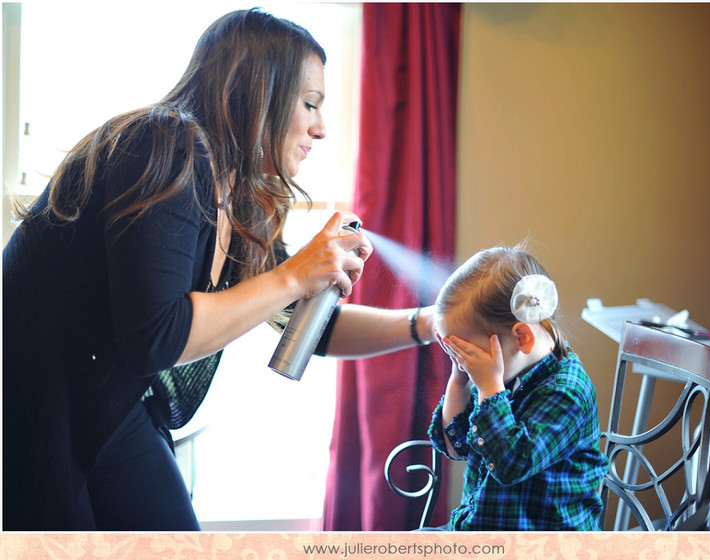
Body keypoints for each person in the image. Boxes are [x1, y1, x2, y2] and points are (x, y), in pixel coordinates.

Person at [3, 8, 435, 531]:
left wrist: (428, 325)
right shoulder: (164, 147)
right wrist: (295, 274)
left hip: (108, 404)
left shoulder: (240, 194)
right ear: (259, 91)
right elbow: (156, 337)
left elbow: (307, 326)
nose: (320, 129)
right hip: (33, 407)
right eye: (310, 104)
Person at [427, 244, 608, 531]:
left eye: (467, 352)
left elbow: (511, 464)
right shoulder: (502, 374)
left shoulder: (567, 392)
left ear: (521, 337)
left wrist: (488, 387)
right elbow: (456, 446)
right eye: (456, 353)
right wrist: (458, 380)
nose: (465, 362)